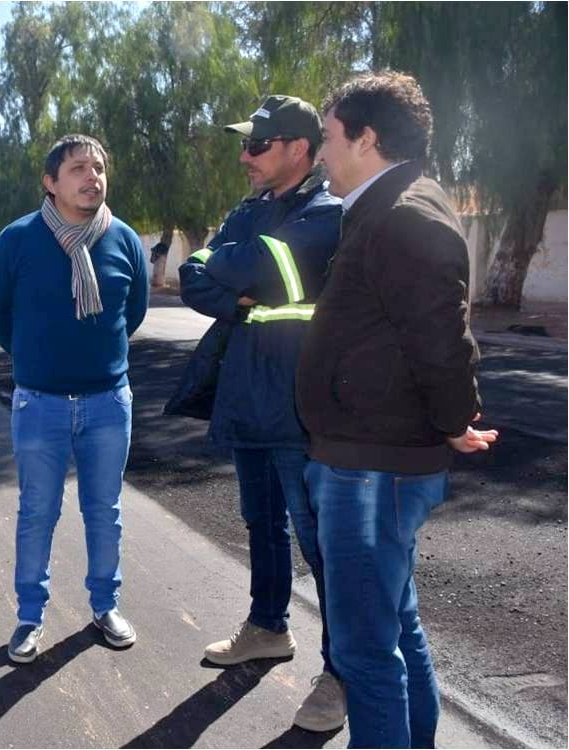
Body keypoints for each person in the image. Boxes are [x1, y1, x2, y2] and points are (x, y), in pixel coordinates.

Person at [297, 71, 497, 748]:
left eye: (328, 137)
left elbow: (443, 342)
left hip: (370, 472)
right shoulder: (385, 207)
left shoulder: (405, 215)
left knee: (363, 651)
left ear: (367, 138)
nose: (321, 153)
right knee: (395, 626)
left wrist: (455, 420)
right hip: (366, 464)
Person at [178, 95, 345, 732]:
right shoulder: (248, 213)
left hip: (300, 404)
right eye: (244, 145)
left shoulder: (326, 212)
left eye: (257, 145)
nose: (244, 156)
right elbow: (194, 274)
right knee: (261, 522)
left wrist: (234, 271)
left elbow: (263, 266)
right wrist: (233, 281)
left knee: (319, 540)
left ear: (299, 148)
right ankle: (268, 627)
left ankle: (342, 670)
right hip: (249, 394)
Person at [0, 134, 149, 663]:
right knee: (37, 513)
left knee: (104, 512)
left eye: (98, 168)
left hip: (108, 403)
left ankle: (105, 606)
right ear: (50, 183)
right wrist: (31, 354)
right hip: (40, 404)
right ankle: (30, 616)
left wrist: (96, 357)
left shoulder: (124, 240)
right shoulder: (18, 239)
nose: (92, 177)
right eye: (78, 168)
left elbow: (133, 312)